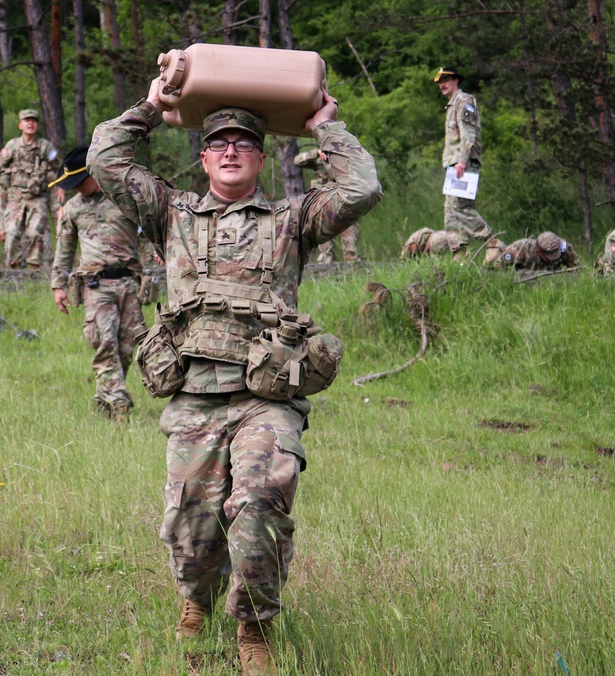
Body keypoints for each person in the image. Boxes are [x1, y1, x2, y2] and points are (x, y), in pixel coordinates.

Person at [88, 80, 382, 674]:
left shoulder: (292, 218)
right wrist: (152, 106)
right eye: (218, 142)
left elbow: (361, 187)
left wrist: (326, 123)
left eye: (243, 144)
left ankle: (254, 627)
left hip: (265, 399)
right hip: (193, 397)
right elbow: (105, 158)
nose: (230, 152)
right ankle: (196, 603)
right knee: (189, 531)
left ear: (260, 156)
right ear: (202, 156)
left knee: (260, 506)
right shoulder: (171, 212)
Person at [50, 146, 146, 422]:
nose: (77, 188)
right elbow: (64, 249)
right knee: (105, 343)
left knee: (127, 349)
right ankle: (119, 406)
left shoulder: (125, 199)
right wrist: (58, 286)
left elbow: (154, 230)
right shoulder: (72, 209)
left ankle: (103, 398)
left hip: (129, 284)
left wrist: (163, 253)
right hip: (95, 286)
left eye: (80, 182)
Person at [0, 109, 63, 269]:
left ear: (37, 125)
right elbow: (0, 167)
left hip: (37, 198)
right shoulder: (12, 146)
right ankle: (13, 271)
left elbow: (58, 166)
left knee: (36, 232)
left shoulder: (45, 147)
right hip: (15, 198)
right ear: (20, 125)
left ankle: (34, 269)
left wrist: (61, 184)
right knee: (11, 234)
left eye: (33, 121)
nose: (30, 123)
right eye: (27, 120)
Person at [435, 67, 491, 257]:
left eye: (446, 80)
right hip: (454, 164)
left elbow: (468, 134)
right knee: (450, 213)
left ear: (456, 81)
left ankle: (493, 242)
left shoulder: (464, 101)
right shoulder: (452, 104)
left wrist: (462, 161)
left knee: (460, 206)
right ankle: (460, 258)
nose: (442, 84)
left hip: (463, 164)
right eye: (440, 82)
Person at [295, 149, 359, 263]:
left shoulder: (347, 155)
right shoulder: (319, 157)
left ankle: (352, 264)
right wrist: (316, 153)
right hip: (323, 200)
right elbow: (297, 160)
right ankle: (326, 263)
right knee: (323, 235)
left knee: (349, 235)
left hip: (342, 198)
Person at [492, 231, 580, 271]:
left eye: (555, 253)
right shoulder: (521, 248)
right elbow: (498, 265)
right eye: (549, 255)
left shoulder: (564, 247)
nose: (553, 258)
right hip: (526, 281)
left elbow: (577, 268)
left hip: (555, 280)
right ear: (538, 251)